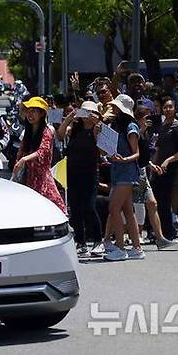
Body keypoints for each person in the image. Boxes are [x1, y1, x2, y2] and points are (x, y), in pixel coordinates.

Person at [102, 94, 145, 261]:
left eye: (116, 106)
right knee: (127, 210)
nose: (113, 108)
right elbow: (106, 150)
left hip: (126, 172)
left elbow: (136, 154)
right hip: (118, 170)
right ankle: (136, 247)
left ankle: (120, 248)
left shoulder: (130, 126)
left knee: (114, 208)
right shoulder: (117, 125)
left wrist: (123, 159)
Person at [58, 101, 103, 257]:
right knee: (75, 209)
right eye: (85, 112)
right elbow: (61, 134)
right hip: (72, 172)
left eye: (90, 112)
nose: (86, 116)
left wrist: (97, 127)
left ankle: (98, 240)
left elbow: (104, 150)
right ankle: (81, 242)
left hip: (90, 173)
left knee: (89, 207)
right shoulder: (75, 129)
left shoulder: (99, 129)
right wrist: (69, 118)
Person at [14, 96, 66, 213]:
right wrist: (17, 165)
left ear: (42, 114)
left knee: (55, 209)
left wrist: (24, 159)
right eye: (28, 111)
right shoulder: (27, 132)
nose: (30, 115)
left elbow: (43, 150)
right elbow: (20, 152)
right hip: (28, 178)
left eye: (33, 111)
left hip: (43, 180)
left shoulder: (47, 131)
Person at [133, 106, 175, 249]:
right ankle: (130, 238)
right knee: (131, 208)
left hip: (143, 173)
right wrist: (141, 131)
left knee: (152, 204)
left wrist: (151, 165)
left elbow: (144, 156)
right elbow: (135, 152)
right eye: (146, 118)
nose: (148, 121)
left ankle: (160, 238)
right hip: (134, 174)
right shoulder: (134, 132)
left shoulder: (145, 133)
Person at [151, 97, 178, 242]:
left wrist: (168, 160)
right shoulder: (160, 124)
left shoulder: (177, 126)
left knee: (165, 199)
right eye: (165, 107)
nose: (167, 110)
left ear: (174, 108)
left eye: (170, 107)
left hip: (170, 167)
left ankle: (169, 232)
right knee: (157, 199)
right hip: (158, 167)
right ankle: (158, 231)